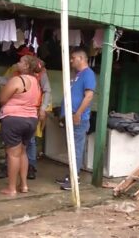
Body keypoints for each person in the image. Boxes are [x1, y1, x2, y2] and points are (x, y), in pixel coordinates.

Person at [0, 47, 52, 180]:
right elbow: (5, 81)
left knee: (27, 143)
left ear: (28, 63)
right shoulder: (16, 72)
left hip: (30, 112)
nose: (17, 62)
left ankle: (29, 167)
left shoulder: (41, 74)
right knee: (18, 146)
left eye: (21, 59)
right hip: (25, 114)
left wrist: (43, 108)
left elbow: (47, 90)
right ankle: (12, 169)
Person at [0, 55, 44, 196]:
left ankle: (11, 188)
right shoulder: (36, 82)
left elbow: (2, 99)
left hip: (14, 120)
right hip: (31, 120)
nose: (18, 63)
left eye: (21, 62)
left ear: (26, 66)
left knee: (13, 154)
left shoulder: (18, 80)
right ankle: (23, 185)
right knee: (22, 152)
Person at [56, 48, 96, 191]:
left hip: (78, 118)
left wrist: (78, 113)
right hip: (70, 116)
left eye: (73, 58)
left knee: (76, 149)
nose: (71, 60)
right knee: (71, 148)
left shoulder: (88, 74)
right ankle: (70, 175)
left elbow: (89, 96)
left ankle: (74, 179)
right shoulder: (77, 75)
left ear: (81, 58)